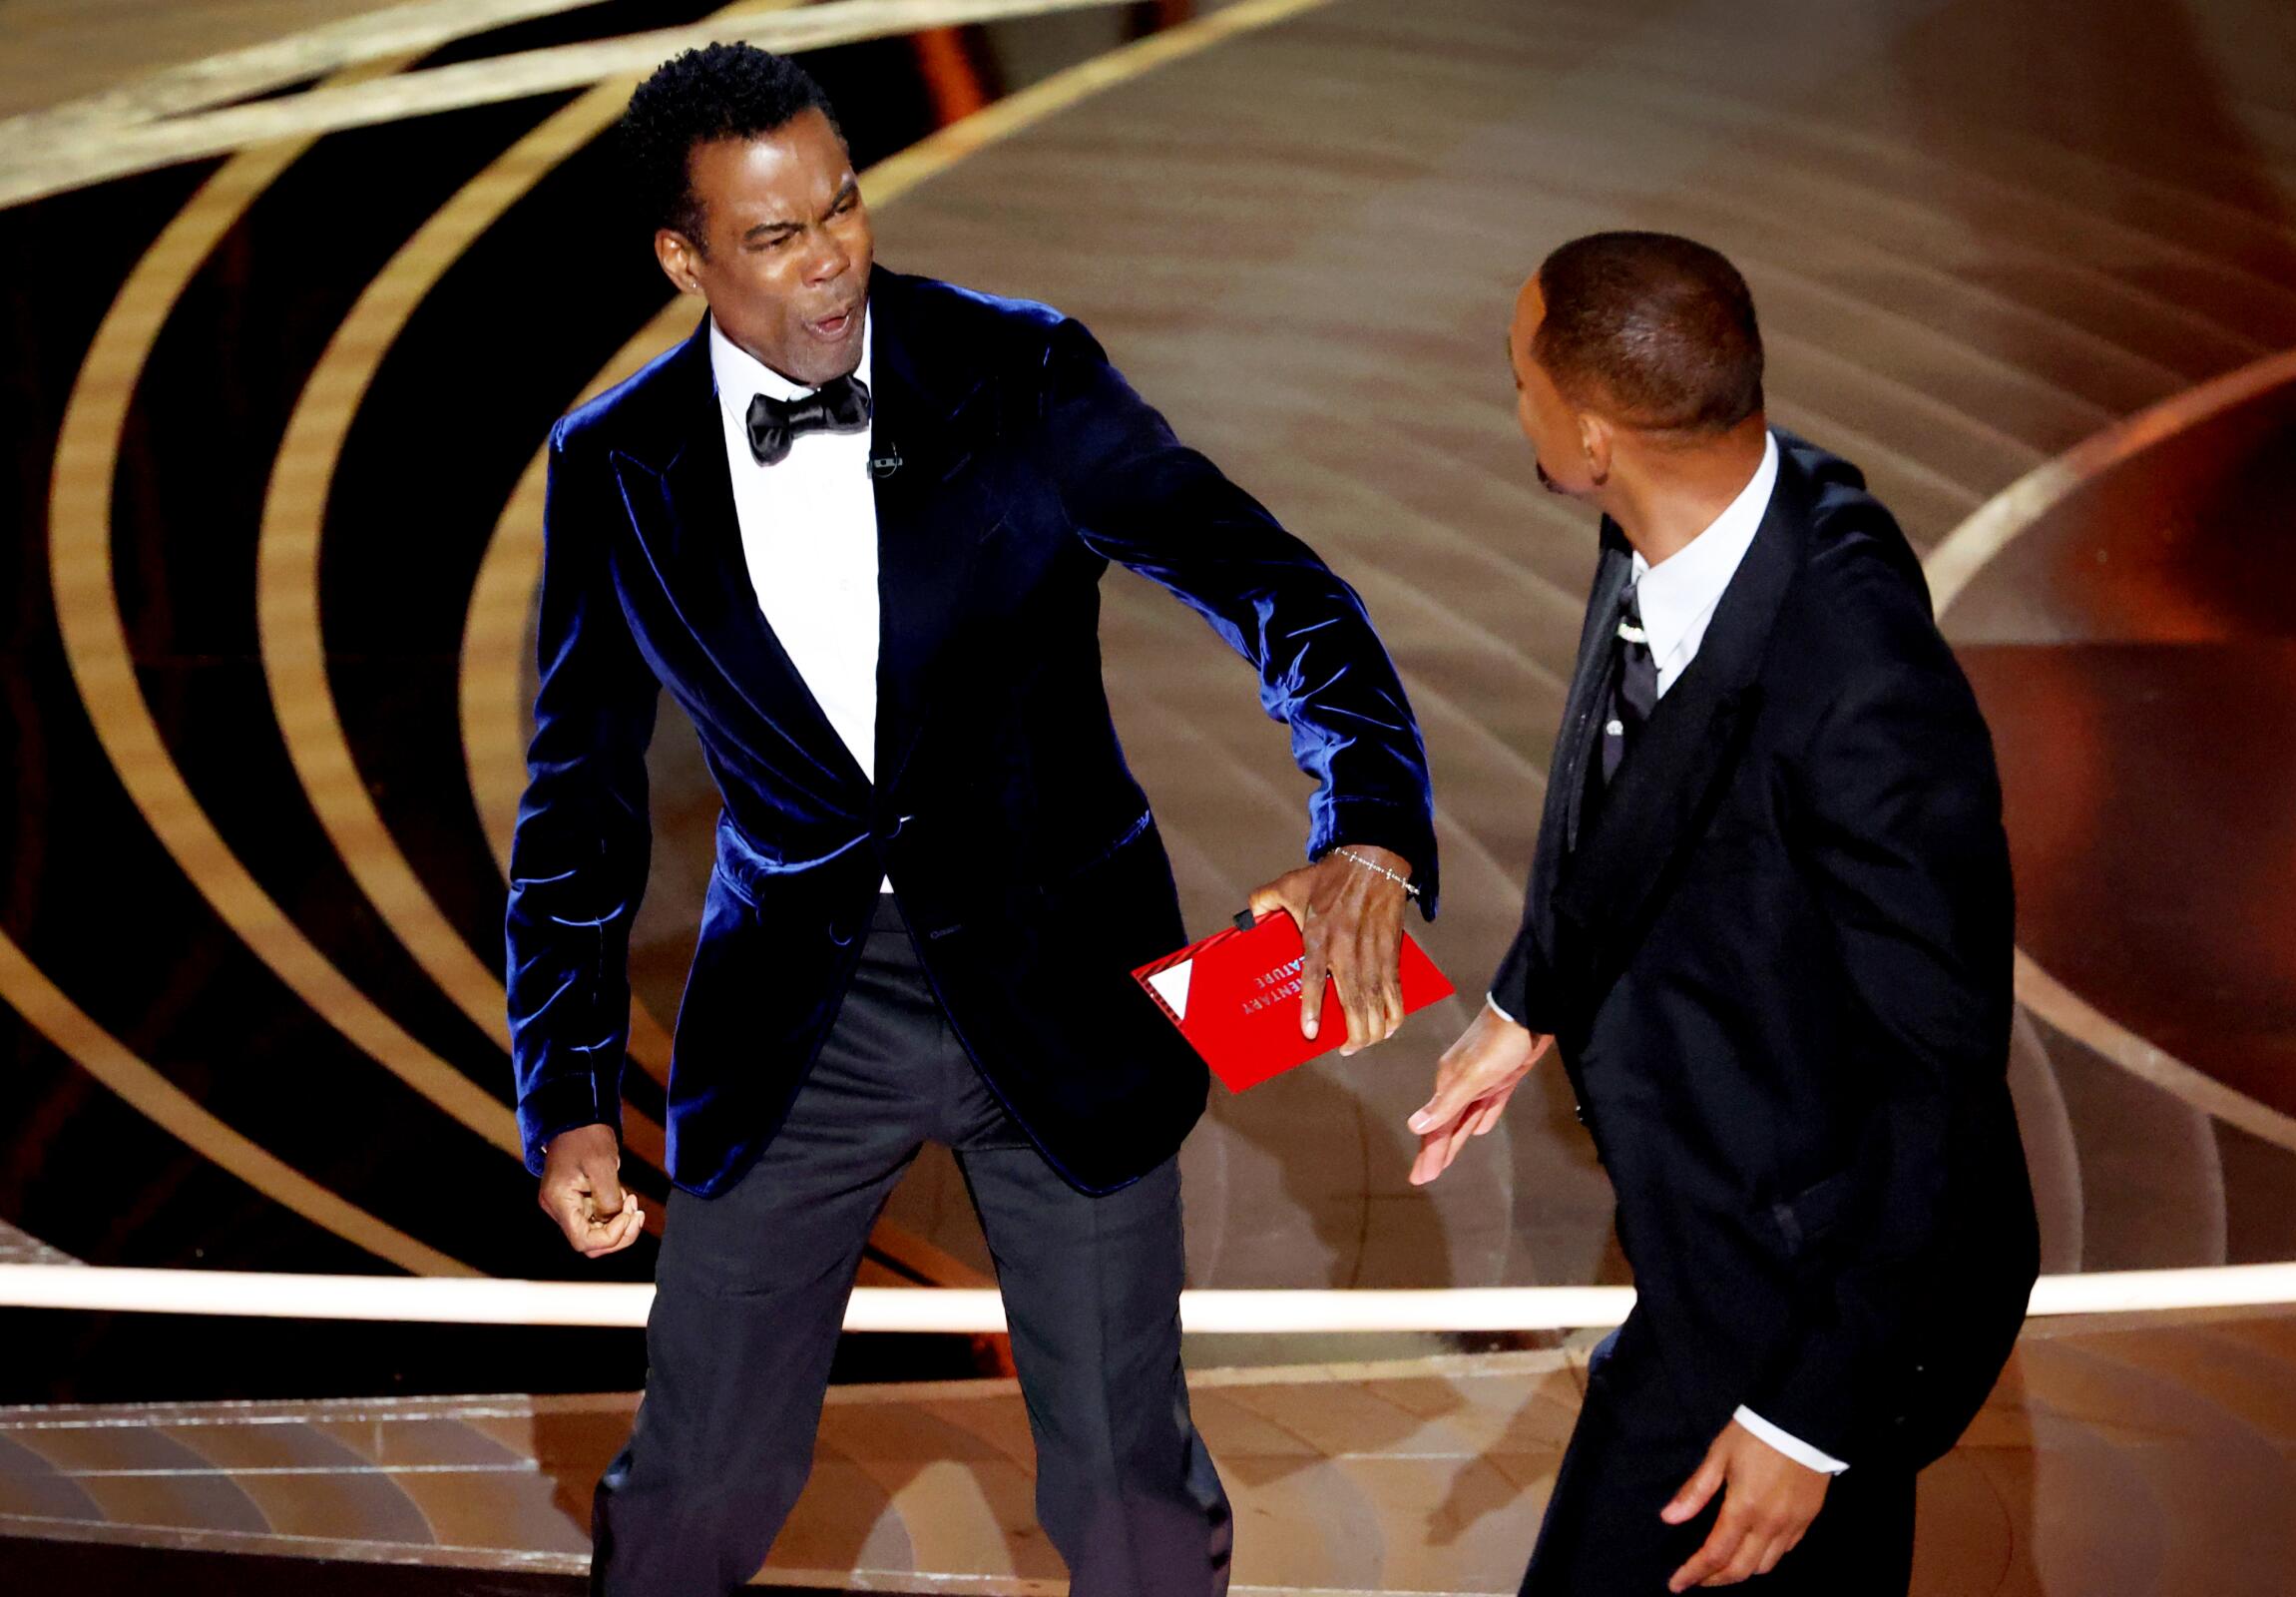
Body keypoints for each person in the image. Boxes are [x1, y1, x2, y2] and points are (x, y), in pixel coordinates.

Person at [505, 44, 1438, 1597]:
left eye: (845, 207)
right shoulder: (614, 468)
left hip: (1066, 999)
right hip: (800, 1027)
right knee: (690, 1499)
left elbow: (1279, 590)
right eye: (776, 236)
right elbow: (578, 805)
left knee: (1129, 1501)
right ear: (684, 258)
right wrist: (571, 1091)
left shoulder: (1024, 372)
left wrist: (1373, 827)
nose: (834, 260)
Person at [1409, 233, 2037, 1594]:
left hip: (1821, 1288)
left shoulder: (1863, 685)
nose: (1508, 401)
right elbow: (1646, 794)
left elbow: (1938, 1075)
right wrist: (1532, 999)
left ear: (1588, 436)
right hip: (1717, 1228)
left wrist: (1810, 1417)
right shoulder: (1699, 514)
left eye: (1517, 379)